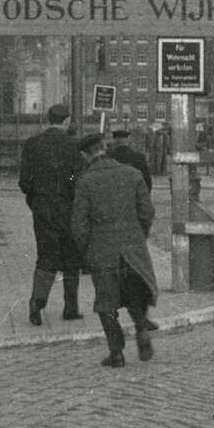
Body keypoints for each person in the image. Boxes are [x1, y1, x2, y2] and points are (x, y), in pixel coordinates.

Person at [72, 133, 158, 367]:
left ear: (85, 155)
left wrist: (86, 252)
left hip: (102, 249)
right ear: (105, 148)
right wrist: (139, 236)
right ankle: (141, 330)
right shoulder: (133, 174)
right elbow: (147, 212)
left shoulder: (85, 181)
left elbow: (79, 226)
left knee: (106, 302)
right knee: (135, 294)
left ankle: (116, 353)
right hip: (133, 246)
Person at [19, 103, 85, 325]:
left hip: (43, 207)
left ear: (49, 120)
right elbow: (77, 179)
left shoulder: (32, 145)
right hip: (68, 208)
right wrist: (67, 186)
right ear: (66, 121)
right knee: (71, 257)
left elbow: (24, 182)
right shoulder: (74, 146)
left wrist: (37, 200)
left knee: (46, 255)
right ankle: (71, 306)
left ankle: (37, 302)